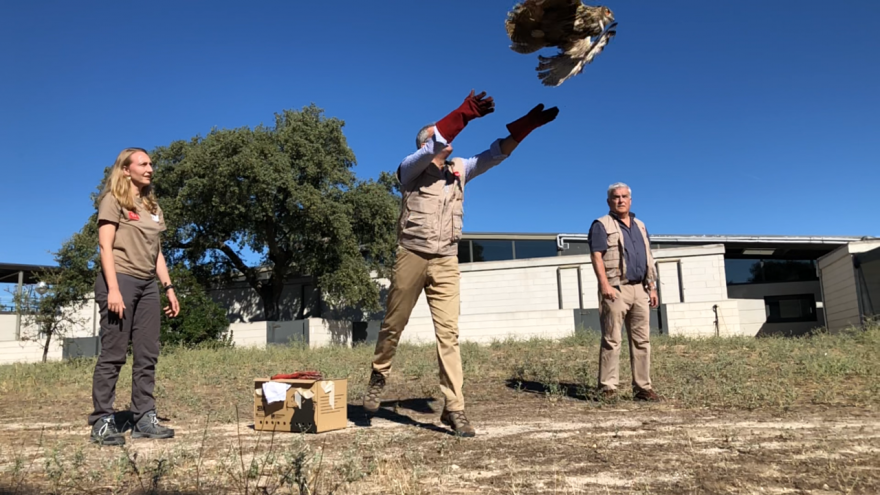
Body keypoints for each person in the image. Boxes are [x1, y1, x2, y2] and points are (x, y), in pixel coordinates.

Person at [362, 90, 559, 436]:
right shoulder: (410, 170)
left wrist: (524, 128)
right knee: (393, 325)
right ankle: (379, 375)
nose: (447, 141)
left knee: (449, 335)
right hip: (412, 254)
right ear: (426, 144)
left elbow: (495, 154)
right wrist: (464, 114)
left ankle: (454, 408)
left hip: (446, 260)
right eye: (437, 137)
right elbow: (438, 139)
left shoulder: (459, 170)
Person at [88, 148, 180, 446]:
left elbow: (157, 253)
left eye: (151, 163)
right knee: (114, 354)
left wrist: (168, 287)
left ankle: (144, 418)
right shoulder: (113, 200)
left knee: (147, 354)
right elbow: (105, 247)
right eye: (143, 163)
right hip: (121, 281)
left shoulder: (152, 206)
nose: (150, 168)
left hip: (147, 285)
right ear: (126, 170)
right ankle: (102, 421)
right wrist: (113, 289)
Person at [588, 182, 663, 402]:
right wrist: (604, 285)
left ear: (630, 200)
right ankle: (608, 388)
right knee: (612, 340)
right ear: (609, 201)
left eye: (624, 196)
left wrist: (652, 286)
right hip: (615, 288)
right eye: (616, 197)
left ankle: (642, 388)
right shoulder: (601, 225)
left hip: (640, 289)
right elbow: (596, 256)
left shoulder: (640, 225)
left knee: (642, 341)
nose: (620, 200)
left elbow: (648, 256)